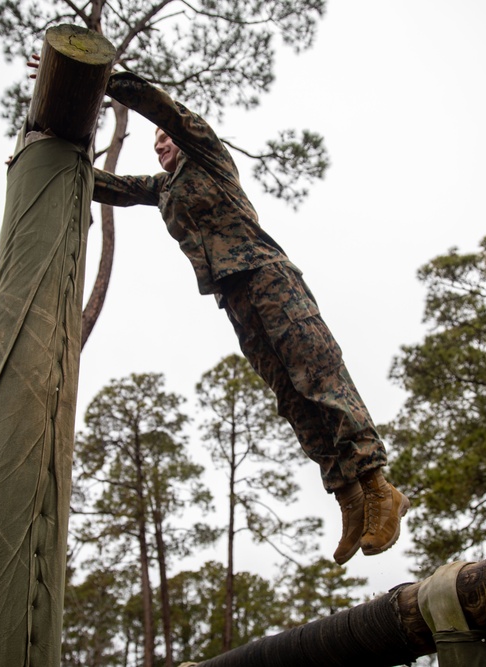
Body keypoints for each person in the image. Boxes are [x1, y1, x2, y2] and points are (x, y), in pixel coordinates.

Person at [81, 71, 409, 564]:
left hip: (269, 278)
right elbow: (114, 187)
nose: (160, 146)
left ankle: (379, 487)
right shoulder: (164, 190)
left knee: (318, 375)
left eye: (165, 138)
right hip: (235, 301)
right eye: (155, 144)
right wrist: (58, 161)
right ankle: (349, 496)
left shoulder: (209, 157)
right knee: (292, 398)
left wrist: (99, 78)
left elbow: (165, 110)